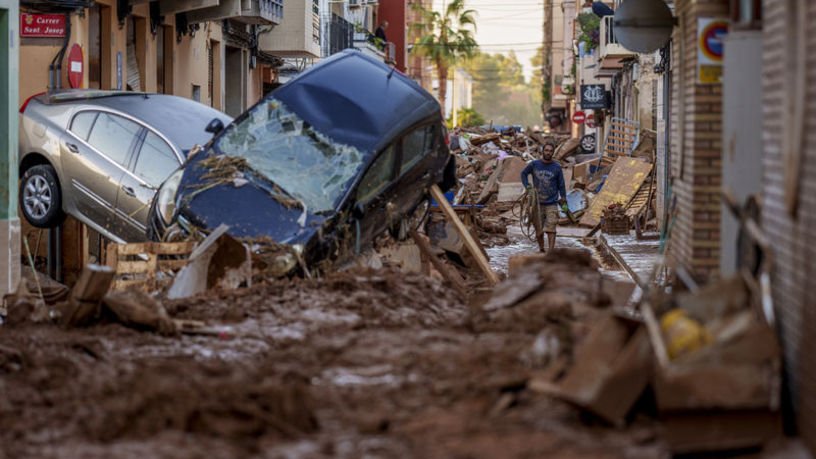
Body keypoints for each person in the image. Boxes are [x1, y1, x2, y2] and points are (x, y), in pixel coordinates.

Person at [520, 143, 567, 253]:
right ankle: (541, 249)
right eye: (546, 150)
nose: (548, 152)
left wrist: (564, 199)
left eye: (550, 151)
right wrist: (527, 186)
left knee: (551, 229)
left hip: (552, 203)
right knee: (539, 230)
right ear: (542, 151)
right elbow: (523, 174)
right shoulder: (534, 164)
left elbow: (561, 184)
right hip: (537, 203)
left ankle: (550, 253)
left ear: (553, 153)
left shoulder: (557, 167)